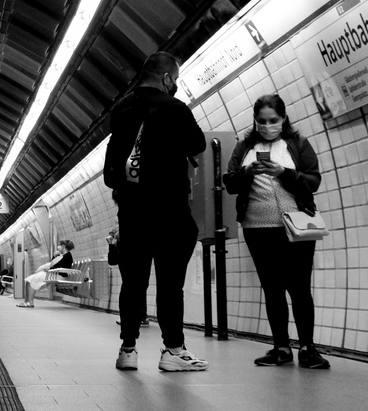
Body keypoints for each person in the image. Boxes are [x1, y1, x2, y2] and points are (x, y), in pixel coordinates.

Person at [103, 52, 209, 372]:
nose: (175, 85)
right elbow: (198, 144)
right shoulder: (174, 108)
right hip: (168, 210)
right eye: (174, 80)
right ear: (166, 78)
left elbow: (113, 168)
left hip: (132, 211)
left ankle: (128, 349)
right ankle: (173, 351)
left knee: (133, 281)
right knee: (169, 281)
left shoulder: (121, 110)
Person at [221, 93, 329, 370]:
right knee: (272, 288)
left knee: (300, 287)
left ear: (283, 119)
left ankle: (307, 348)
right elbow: (230, 182)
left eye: (273, 120)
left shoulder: (297, 144)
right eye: (261, 121)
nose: (267, 125)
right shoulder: (244, 147)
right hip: (258, 228)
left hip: (295, 227)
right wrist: (248, 172)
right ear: (255, 121)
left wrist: (284, 172)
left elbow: (313, 180)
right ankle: (281, 346)